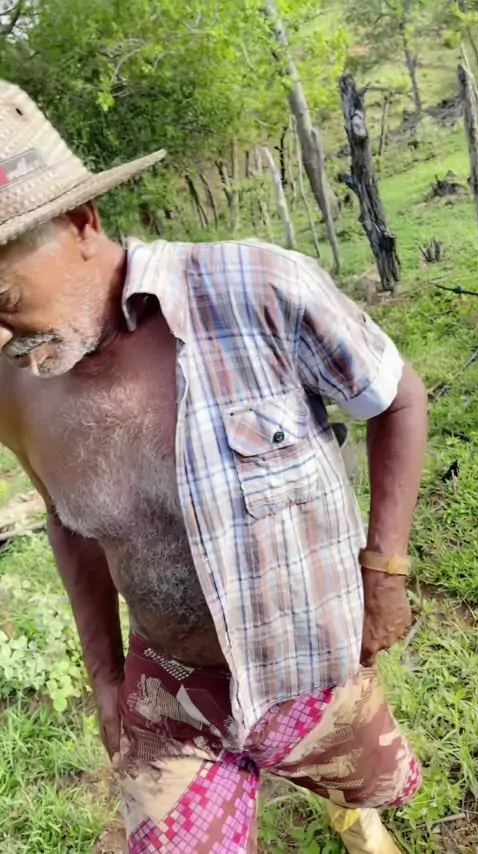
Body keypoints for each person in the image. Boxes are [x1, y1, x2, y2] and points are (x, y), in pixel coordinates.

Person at [0, 81, 428, 854]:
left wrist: (385, 573)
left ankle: (349, 809)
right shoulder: (14, 389)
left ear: (82, 221)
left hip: (313, 666)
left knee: (371, 783)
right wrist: (105, 679)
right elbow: (68, 528)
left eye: (2, 294)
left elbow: (397, 401)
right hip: (170, 696)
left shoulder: (256, 288)